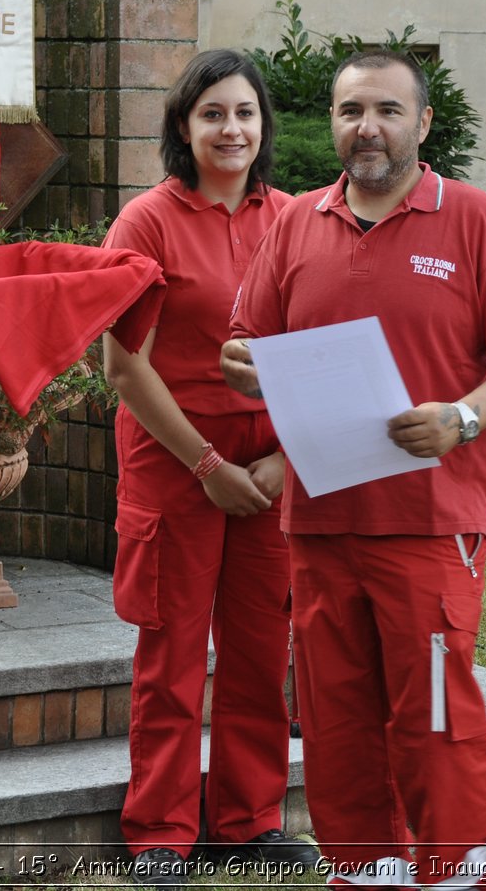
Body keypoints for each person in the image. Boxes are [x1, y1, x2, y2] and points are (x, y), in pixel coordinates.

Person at [222, 49, 486, 890]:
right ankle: (364, 868)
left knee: (435, 711)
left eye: (386, 110)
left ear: (423, 123)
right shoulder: (297, 222)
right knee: (334, 717)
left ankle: (460, 869)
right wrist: (254, 367)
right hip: (322, 514)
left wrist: (464, 417)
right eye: (349, 111)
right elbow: (241, 342)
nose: (366, 127)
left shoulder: (474, 218)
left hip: (431, 517)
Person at [102, 49, 317, 887]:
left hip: (270, 475)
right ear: (183, 127)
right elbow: (124, 369)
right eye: (213, 114)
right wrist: (208, 465)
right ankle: (158, 830)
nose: (232, 129)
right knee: (173, 654)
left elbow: (318, 353)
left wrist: (279, 461)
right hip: (176, 471)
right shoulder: (147, 222)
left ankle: (249, 821)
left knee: (264, 652)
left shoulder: (299, 218)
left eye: (245, 113)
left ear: (263, 126)